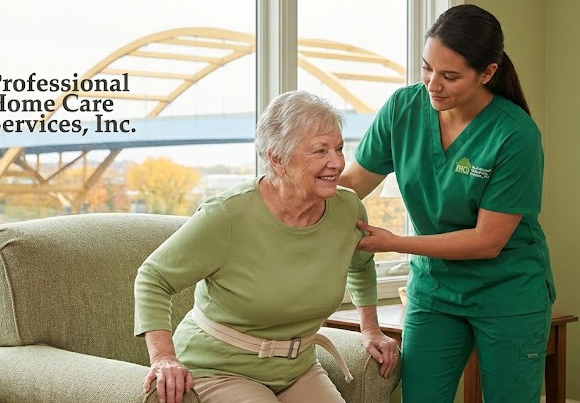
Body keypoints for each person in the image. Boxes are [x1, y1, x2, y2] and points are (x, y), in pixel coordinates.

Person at [339, 4, 554, 403]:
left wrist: (392, 243)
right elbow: (352, 185)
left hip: (508, 292)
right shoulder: (404, 109)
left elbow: (486, 241)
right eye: (427, 68)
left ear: (487, 72)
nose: (433, 84)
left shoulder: (515, 135)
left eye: (449, 76)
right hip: (435, 291)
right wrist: (294, 183)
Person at [134, 90, 399, 403]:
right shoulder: (227, 214)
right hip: (218, 368)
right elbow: (153, 278)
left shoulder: (348, 209)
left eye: (339, 148)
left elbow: (361, 263)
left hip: (296, 368)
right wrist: (164, 357)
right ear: (277, 158)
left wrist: (370, 329)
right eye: (320, 151)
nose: (337, 162)